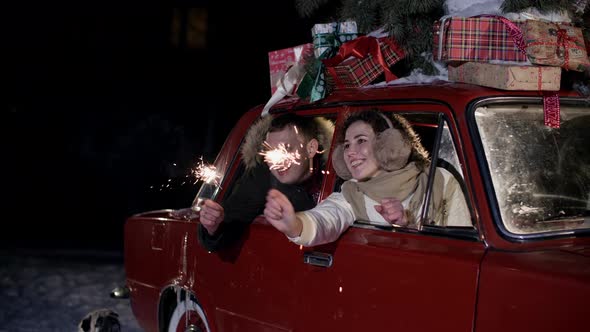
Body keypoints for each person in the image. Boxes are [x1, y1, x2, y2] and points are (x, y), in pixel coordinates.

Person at [264, 109, 471, 247]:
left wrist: (409, 223)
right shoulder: (352, 194)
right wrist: (295, 225)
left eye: (360, 140)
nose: (350, 152)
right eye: (346, 145)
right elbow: (327, 218)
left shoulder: (439, 181)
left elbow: (464, 248)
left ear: (389, 145)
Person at [197, 113, 334, 252]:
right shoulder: (263, 178)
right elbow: (231, 223)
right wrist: (213, 226)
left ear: (311, 148)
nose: (277, 161)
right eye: (270, 151)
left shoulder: (339, 173)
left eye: (286, 149)